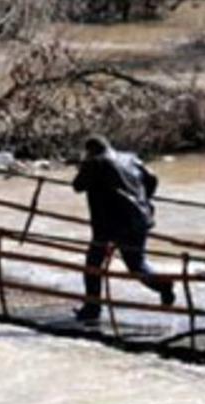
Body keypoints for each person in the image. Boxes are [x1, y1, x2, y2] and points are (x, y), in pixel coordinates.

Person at [72, 134, 175, 322]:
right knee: (137, 264)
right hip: (140, 218)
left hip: (110, 224)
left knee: (93, 264)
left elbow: (77, 186)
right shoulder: (130, 158)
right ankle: (163, 285)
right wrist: (143, 200)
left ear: (90, 151)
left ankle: (92, 309)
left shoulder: (95, 162)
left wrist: (83, 165)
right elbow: (152, 178)